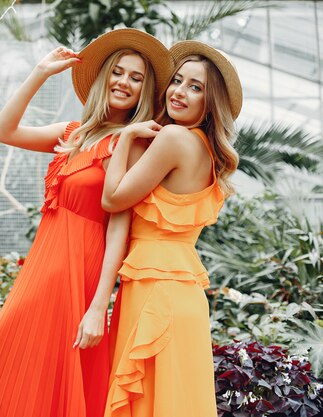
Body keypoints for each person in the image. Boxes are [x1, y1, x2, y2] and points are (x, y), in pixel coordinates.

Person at [0, 29, 172, 417]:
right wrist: (39, 72)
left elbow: (119, 226)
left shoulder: (134, 143)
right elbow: (2, 131)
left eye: (136, 78)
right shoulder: (74, 133)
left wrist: (98, 306)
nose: (124, 82)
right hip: (44, 266)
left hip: (80, 271)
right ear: (105, 77)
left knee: (54, 378)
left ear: (144, 91)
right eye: (118, 72)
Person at [99, 40, 242, 417]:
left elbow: (113, 199)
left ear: (209, 103)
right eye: (177, 81)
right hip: (177, 294)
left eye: (195, 87)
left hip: (155, 294)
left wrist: (127, 136)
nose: (179, 92)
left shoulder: (174, 138)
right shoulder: (205, 149)